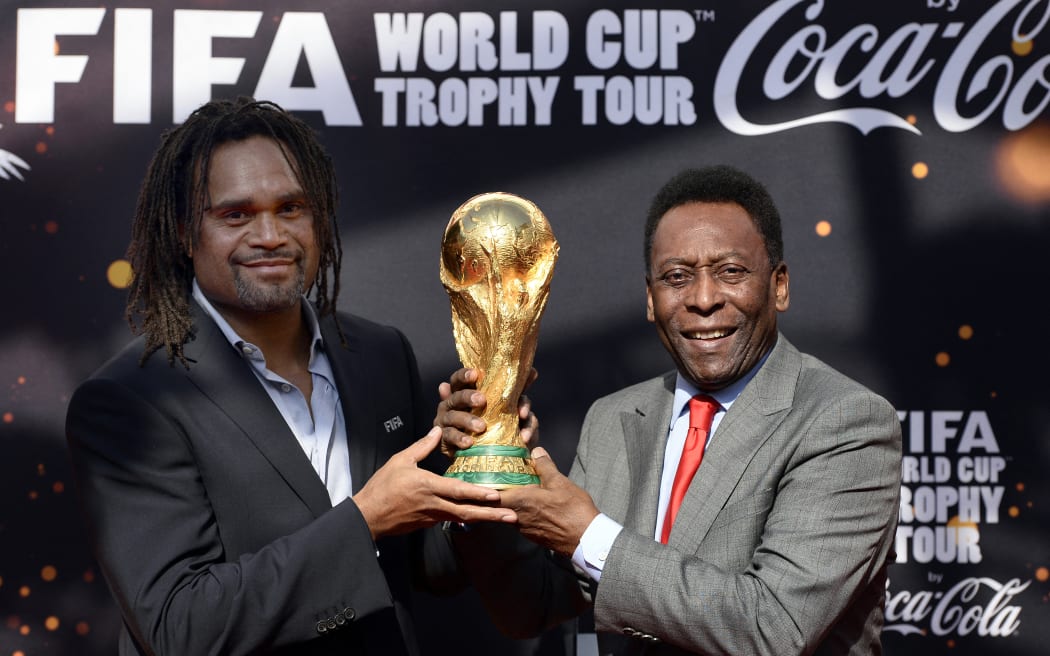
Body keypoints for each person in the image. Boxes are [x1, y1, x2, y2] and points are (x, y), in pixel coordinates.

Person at [65, 97, 518, 656]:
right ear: (185, 233)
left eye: (290, 208)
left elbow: (430, 569)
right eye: (236, 215)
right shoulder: (130, 401)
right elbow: (179, 627)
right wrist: (366, 519)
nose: (270, 234)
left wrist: (472, 461)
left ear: (319, 218)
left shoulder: (378, 353)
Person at [437, 165, 903, 655]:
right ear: (650, 299)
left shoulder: (845, 421)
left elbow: (776, 627)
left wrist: (591, 535)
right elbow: (529, 609)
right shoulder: (613, 418)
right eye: (676, 277)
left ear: (779, 286)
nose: (703, 299)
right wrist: (481, 478)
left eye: (731, 272)